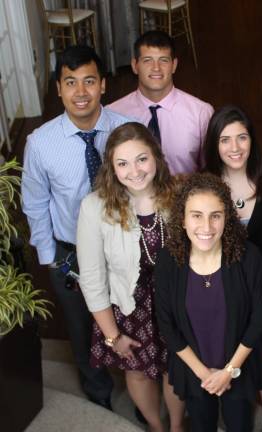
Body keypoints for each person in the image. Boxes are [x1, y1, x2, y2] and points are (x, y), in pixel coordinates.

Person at [21, 45, 131, 409]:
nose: (80, 92)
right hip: (71, 254)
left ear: (103, 85)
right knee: (82, 328)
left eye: (88, 81)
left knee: (132, 317)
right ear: (58, 89)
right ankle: (98, 394)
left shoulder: (127, 130)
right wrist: (50, 257)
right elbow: (35, 203)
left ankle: (140, 389)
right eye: (71, 83)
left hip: (125, 245)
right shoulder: (40, 143)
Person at [76, 123, 185, 431]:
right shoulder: (94, 207)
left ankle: (177, 426)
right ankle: (156, 425)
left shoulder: (179, 194)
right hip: (128, 307)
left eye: (142, 159)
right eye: (122, 163)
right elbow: (93, 278)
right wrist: (112, 336)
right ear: (111, 167)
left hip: (175, 302)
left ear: (156, 158)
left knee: (176, 368)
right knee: (137, 372)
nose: (134, 171)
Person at [154, 173, 262, 432]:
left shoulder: (249, 258)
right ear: (182, 219)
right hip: (193, 369)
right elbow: (166, 324)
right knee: (201, 425)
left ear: (226, 218)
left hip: (238, 366)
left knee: (240, 425)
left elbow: (258, 318)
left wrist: (228, 371)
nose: (206, 227)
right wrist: (205, 375)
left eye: (215, 215)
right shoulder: (168, 261)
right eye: (196, 215)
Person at [108, 30, 213, 174]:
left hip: (186, 194)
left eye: (163, 60)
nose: (156, 68)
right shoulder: (113, 114)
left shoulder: (201, 113)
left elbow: (211, 170)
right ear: (135, 65)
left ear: (174, 65)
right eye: (147, 60)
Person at [203, 104, 262, 246]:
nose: (235, 147)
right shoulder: (202, 184)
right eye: (225, 140)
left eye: (242, 138)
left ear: (251, 140)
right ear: (214, 144)